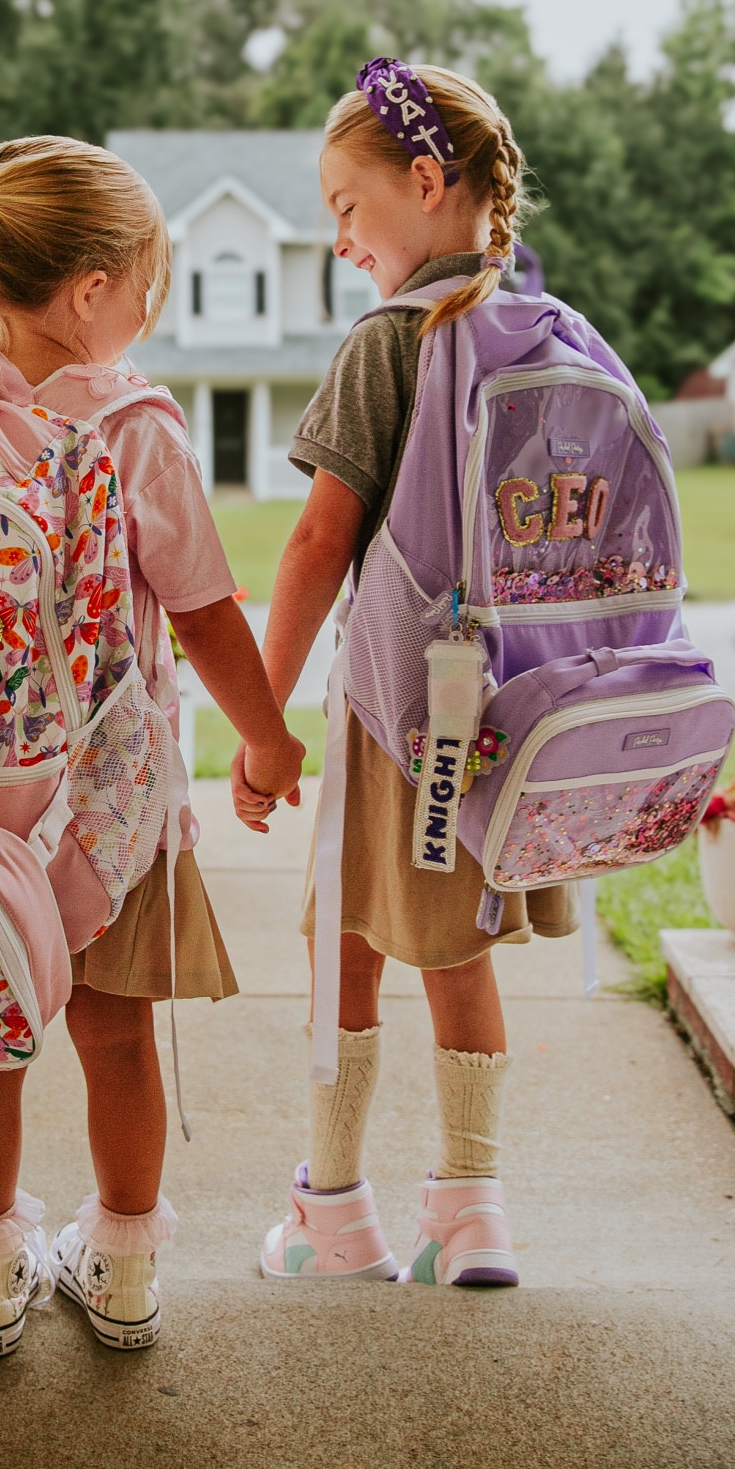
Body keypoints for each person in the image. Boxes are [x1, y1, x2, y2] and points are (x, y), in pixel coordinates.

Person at [0, 136, 306, 1353]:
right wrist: (266, 741)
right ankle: (126, 1263)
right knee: (115, 1030)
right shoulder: (135, 427)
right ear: (91, 288)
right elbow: (202, 610)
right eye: (148, 276)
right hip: (105, 804)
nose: (150, 302)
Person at [235, 64, 579, 1288]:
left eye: (346, 205)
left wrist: (258, 711)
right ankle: (473, 1210)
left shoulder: (392, 341)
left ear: (426, 184)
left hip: (397, 712)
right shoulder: (543, 334)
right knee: (456, 946)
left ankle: (334, 1213)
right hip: (509, 714)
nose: (337, 240)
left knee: (346, 944)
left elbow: (320, 539)